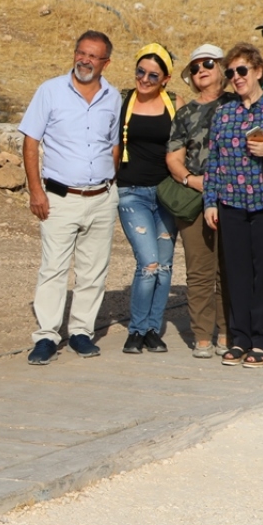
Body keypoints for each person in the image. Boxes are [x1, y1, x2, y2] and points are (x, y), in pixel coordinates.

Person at [20, 31, 122, 364]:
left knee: (93, 270)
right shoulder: (50, 91)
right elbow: (31, 142)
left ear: (105, 62)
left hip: (102, 197)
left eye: (93, 56)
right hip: (60, 196)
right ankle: (47, 336)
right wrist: (36, 190)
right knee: (53, 269)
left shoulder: (113, 97)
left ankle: (81, 332)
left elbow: (113, 144)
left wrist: (112, 182)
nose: (85, 60)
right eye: (81, 53)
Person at [202, 43, 263, 367]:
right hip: (231, 203)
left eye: (242, 70)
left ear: (258, 71)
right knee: (237, 273)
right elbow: (213, 160)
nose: (236, 77)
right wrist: (210, 202)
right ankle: (239, 337)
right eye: (230, 73)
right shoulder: (225, 113)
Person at [165, 44, 235, 358]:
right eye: (194, 68)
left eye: (207, 64)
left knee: (229, 269)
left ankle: (228, 332)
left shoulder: (238, 104)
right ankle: (202, 334)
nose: (201, 71)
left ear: (222, 67)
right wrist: (193, 181)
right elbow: (174, 157)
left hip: (234, 197)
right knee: (199, 269)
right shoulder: (186, 112)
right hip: (195, 197)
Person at [115, 43, 182, 354]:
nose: (144, 78)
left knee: (165, 265)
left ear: (165, 79)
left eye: (152, 75)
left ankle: (153, 329)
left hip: (165, 193)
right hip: (132, 193)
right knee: (149, 263)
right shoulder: (123, 101)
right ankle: (137, 329)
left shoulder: (174, 103)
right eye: (140, 71)